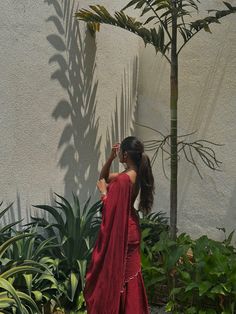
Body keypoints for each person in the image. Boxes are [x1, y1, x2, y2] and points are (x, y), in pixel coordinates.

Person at [83, 136, 155, 314]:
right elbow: (105, 176)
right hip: (130, 227)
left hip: (124, 231)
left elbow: (111, 208)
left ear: (125, 154)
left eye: (120, 153)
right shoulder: (135, 173)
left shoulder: (123, 180)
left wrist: (104, 193)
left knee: (121, 276)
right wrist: (110, 158)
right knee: (129, 276)